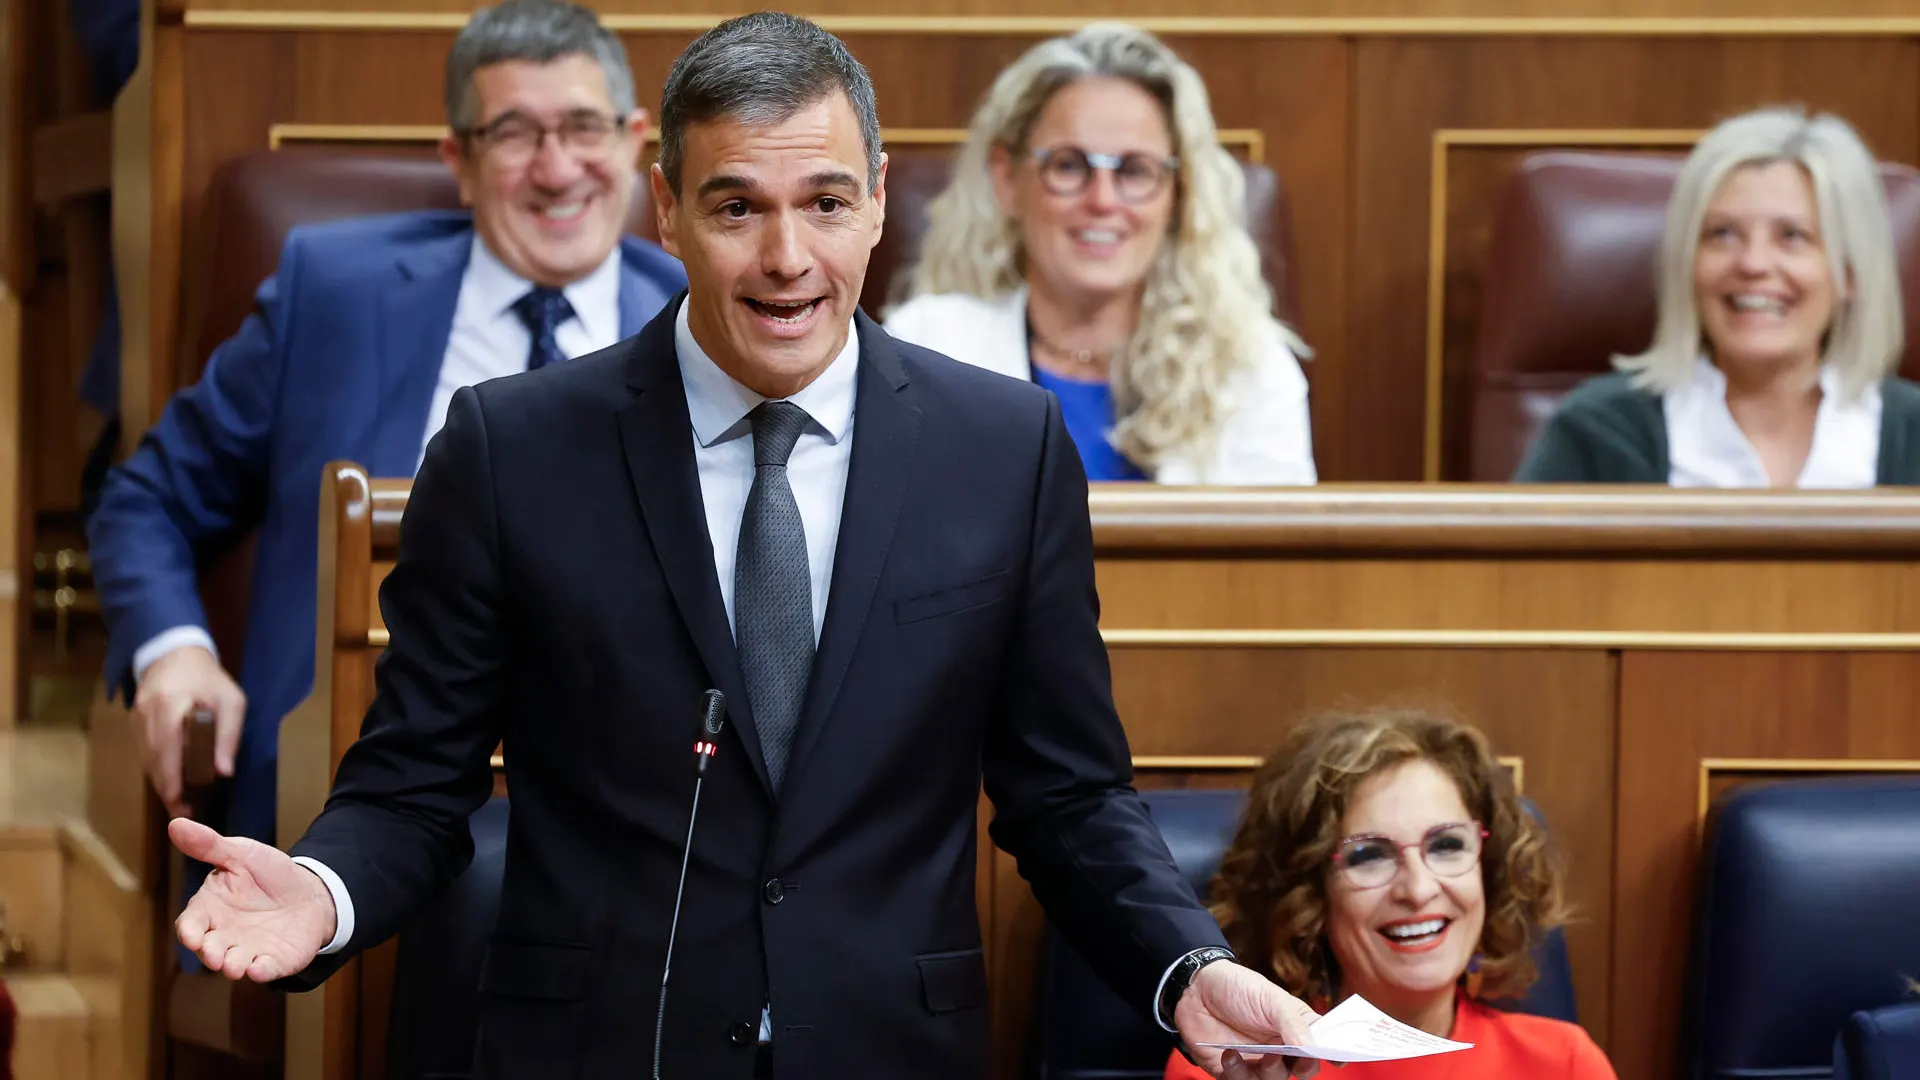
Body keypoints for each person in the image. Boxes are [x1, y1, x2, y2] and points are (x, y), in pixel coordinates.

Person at [164, 12, 1324, 1080]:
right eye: (735, 208)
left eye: (824, 203)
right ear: (662, 206)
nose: (785, 258)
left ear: (876, 198)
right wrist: (321, 892)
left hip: (889, 1053)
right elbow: (416, 785)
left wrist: (1190, 970)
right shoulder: (509, 449)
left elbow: (1069, 798)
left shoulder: (1003, 447)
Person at [87, 0, 684, 856]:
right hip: (342, 782)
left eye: (584, 129)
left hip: (629, 802)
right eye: (515, 134)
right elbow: (147, 499)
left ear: (633, 143)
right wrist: (174, 652)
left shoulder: (700, 321)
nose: (557, 171)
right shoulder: (333, 294)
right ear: (461, 160)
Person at [884, 23, 1315, 485]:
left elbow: (1277, 556)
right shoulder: (923, 348)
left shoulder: (1250, 370)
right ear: (1007, 180)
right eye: (1068, 165)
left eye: (1135, 170)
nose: (1103, 200)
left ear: (1178, 193)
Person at [1165, 709, 1616, 1079]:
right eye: (1369, 856)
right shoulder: (1233, 1065)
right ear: (1309, 896)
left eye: (1446, 845)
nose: (1418, 890)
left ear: (1489, 870)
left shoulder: (1565, 1064)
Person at [1514, 106, 1920, 487]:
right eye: (1722, 234)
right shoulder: (1597, 433)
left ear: (1849, 271)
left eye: (1792, 236)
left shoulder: (1911, 435)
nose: (1753, 263)